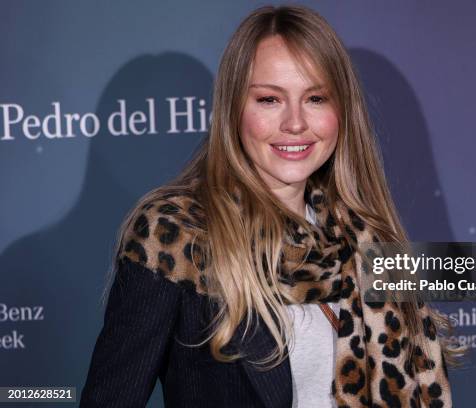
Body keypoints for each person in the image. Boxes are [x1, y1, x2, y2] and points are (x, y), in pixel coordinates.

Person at [81, 4, 454, 407]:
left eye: (315, 97)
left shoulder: (367, 235)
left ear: (342, 110)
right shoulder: (177, 236)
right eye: (269, 99)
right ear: (233, 110)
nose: (295, 123)